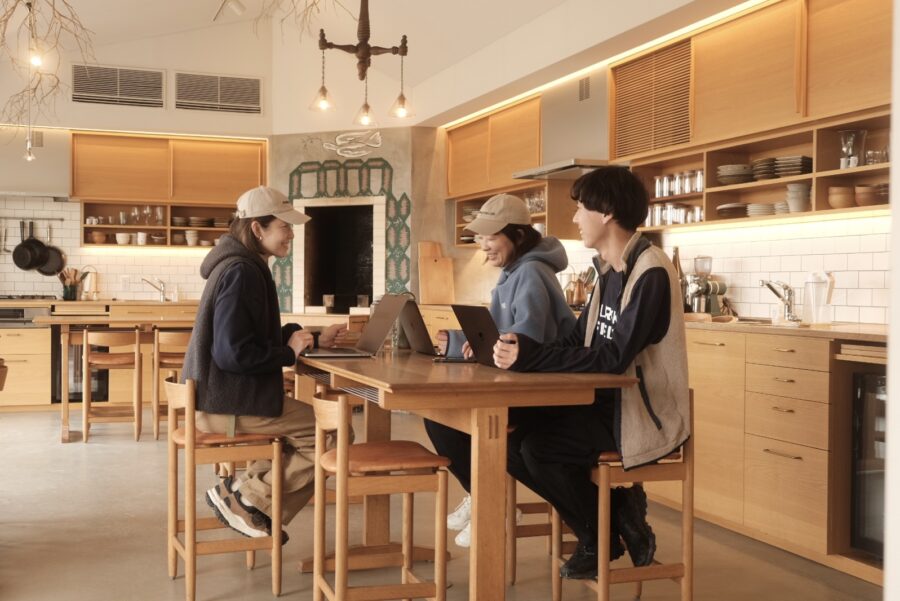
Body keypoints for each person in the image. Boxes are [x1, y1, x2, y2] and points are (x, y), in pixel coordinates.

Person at [492, 166, 690, 580]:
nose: (575, 217)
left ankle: (596, 536)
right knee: (508, 436)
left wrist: (533, 358)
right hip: (601, 404)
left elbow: (613, 357)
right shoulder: (608, 271)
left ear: (607, 212)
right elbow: (577, 341)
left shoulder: (650, 271)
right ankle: (614, 514)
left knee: (539, 448)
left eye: (581, 208)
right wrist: (522, 347)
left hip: (639, 414)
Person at [182, 185, 347, 540]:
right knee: (334, 432)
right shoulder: (242, 272)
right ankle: (249, 500)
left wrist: (310, 338)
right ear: (257, 228)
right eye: (284, 226)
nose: (291, 234)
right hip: (227, 404)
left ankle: (242, 494)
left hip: (221, 398)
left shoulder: (239, 266)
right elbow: (233, 353)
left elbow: (250, 338)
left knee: (307, 430)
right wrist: (288, 353)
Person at [424, 193, 576, 548]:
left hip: (546, 391)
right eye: (481, 236)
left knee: (457, 420)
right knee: (439, 417)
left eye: (491, 237)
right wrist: (462, 340)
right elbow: (500, 332)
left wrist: (490, 345)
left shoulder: (532, 272)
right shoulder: (512, 273)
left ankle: (493, 504)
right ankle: (484, 496)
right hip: (521, 383)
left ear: (518, 235)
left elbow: (526, 340)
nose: (483, 245)